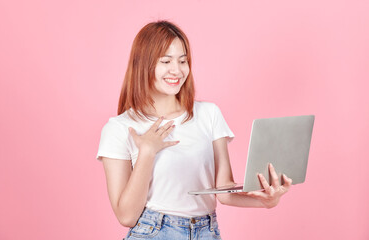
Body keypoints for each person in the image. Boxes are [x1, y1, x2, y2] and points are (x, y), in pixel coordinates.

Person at [96, 20, 292, 240]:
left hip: (207, 232)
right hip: (153, 232)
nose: (177, 70)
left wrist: (267, 201)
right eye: (166, 61)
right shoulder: (120, 128)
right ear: (143, 64)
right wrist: (147, 152)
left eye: (183, 61)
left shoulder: (208, 114)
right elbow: (126, 216)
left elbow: (224, 192)